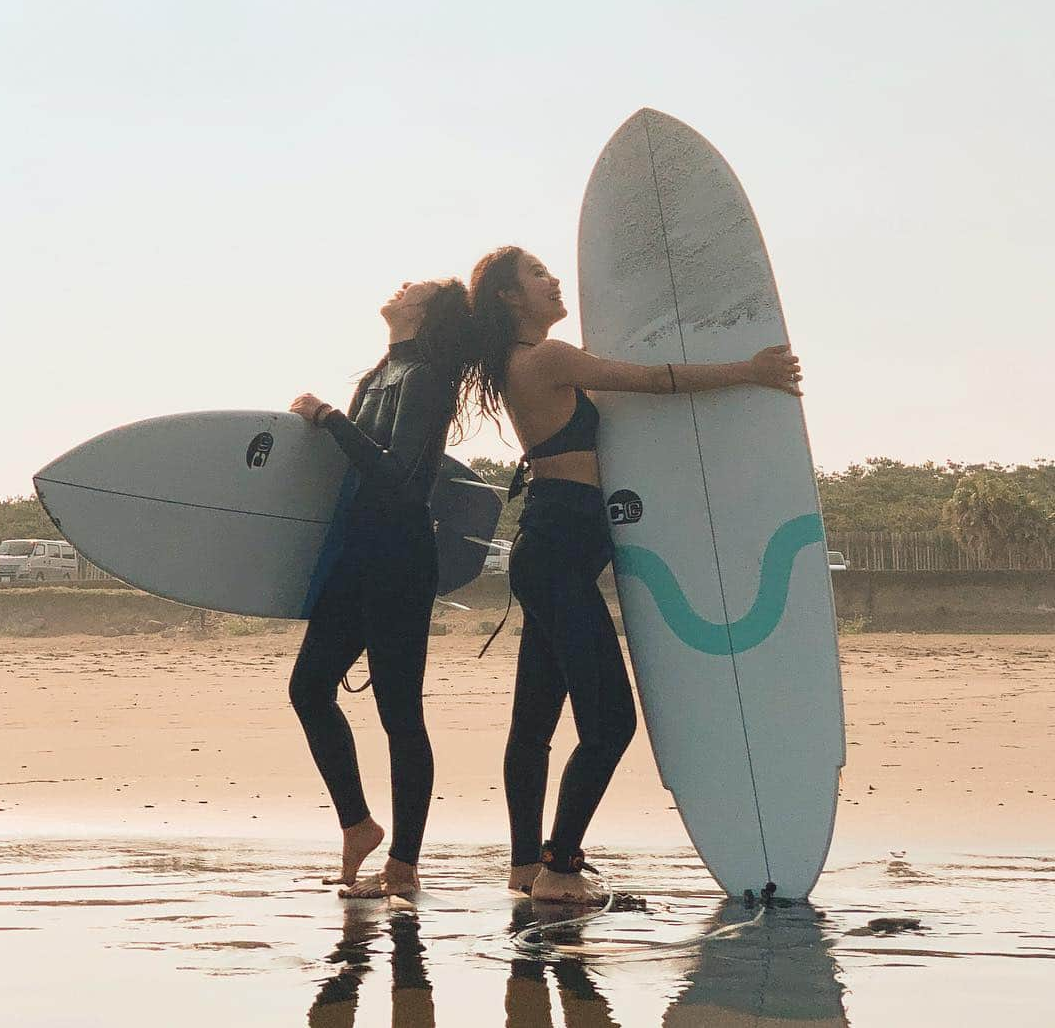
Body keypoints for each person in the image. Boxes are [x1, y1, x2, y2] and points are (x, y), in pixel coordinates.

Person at [468, 246, 802, 903]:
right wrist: (751, 370)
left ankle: (524, 867)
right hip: (558, 552)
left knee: (533, 727)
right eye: (537, 274)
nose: (553, 278)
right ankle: (559, 870)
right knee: (610, 723)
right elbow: (655, 381)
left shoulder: (516, 364)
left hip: (548, 549)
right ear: (510, 297)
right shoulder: (547, 357)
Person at [288, 277, 475, 900]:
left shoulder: (425, 379)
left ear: (422, 311)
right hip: (356, 555)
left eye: (410, 286)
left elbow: (398, 474)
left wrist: (330, 418)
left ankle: (403, 866)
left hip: (399, 558)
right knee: (309, 689)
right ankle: (358, 826)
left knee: (400, 714)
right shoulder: (378, 374)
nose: (398, 287)